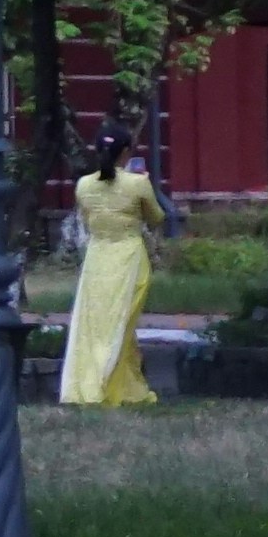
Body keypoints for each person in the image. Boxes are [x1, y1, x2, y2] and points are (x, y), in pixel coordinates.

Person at [58, 126, 167, 409]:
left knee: (94, 325)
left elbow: (86, 218)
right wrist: (144, 185)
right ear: (127, 152)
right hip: (129, 258)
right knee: (120, 324)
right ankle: (103, 386)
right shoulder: (137, 184)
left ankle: (124, 387)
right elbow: (157, 217)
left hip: (97, 258)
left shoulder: (83, 185)